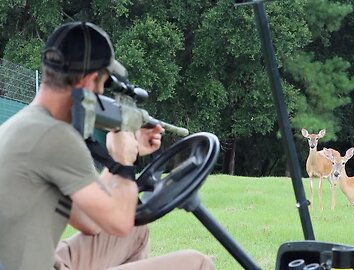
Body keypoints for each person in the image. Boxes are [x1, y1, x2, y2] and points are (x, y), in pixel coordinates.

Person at [0, 21, 216, 270]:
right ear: (89, 81)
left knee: (136, 232)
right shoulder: (56, 137)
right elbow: (119, 221)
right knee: (197, 263)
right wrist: (124, 161)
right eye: (103, 84)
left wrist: (117, 159)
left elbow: (92, 222)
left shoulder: (26, 126)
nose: (102, 93)